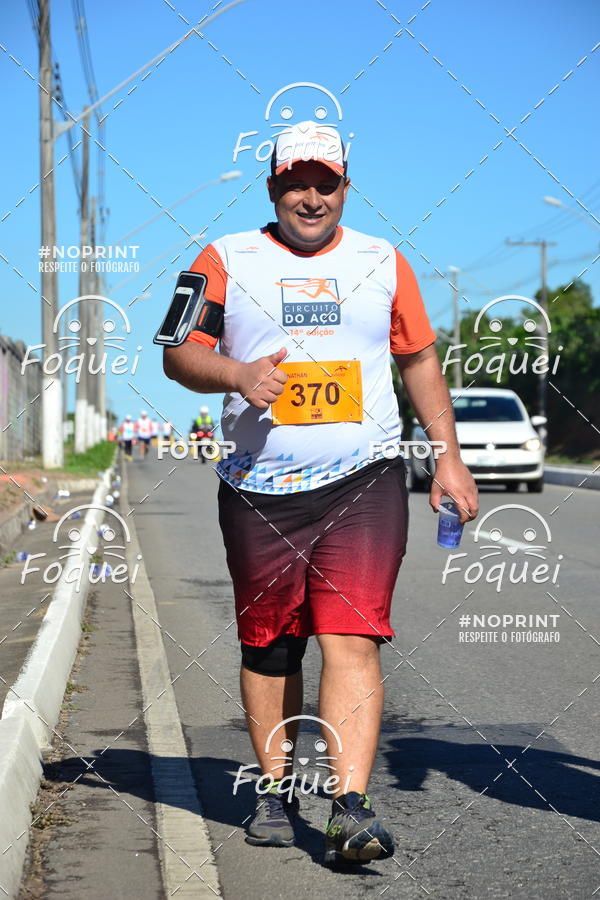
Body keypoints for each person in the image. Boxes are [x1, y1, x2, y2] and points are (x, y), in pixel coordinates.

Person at [163, 121, 478, 866]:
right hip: (258, 487)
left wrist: (449, 459)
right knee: (272, 645)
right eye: (296, 184)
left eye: (326, 184)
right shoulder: (223, 259)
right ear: (272, 187)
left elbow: (419, 360)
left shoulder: (382, 261)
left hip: (364, 477)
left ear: (346, 187)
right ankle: (275, 789)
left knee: (352, 634)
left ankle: (350, 806)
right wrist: (237, 374)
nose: (312, 198)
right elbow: (178, 353)